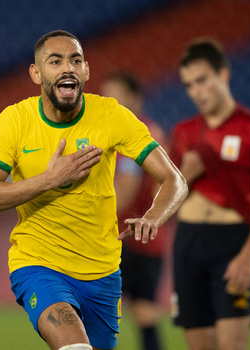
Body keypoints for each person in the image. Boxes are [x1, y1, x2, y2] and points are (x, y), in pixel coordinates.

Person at [0, 30, 188, 350]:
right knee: (74, 345)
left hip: (102, 273)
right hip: (39, 265)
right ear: (36, 73)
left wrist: (154, 216)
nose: (67, 67)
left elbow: (175, 180)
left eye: (75, 60)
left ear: (86, 71)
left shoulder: (112, 116)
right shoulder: (15, 121)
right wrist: (48, 179)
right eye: (55, 61)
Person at [169, 38, 250, 350]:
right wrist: (186, 176)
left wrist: (248, 257)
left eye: (202, 80)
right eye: (188, 85)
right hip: (188, 243)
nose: (196, 91)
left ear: (223, 74)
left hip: (232, 243)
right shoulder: (182, 132)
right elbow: (160, 196)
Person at [100, 73, 170, 350]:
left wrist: (90, 217)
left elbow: (127, 187)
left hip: (129, 238)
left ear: (134, 98)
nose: (108, 103)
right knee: (142, 314)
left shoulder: (138, 134)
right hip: (143, 239)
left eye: (114, 96)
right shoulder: (139, 132)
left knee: (101, 311)